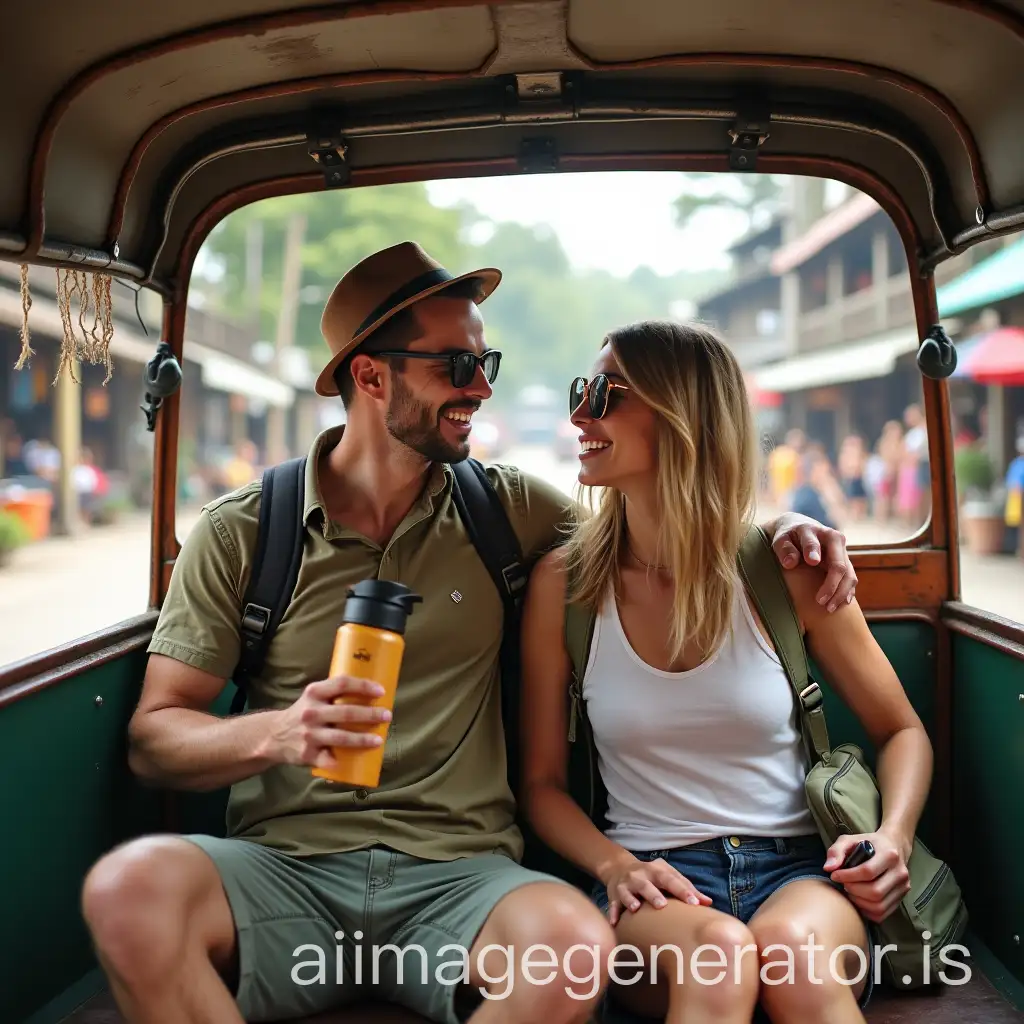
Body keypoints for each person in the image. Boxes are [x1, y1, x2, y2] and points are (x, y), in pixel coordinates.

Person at [80, 244, 859, 1024]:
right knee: (127, 890)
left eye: (486, 361)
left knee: (574, 947)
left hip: (462, 880)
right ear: (371, 376)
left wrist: (783, 530)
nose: (482, 387)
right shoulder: (244, 531)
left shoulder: (512, 512)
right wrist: (280, 734)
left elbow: (668, 525)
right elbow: (155, 739)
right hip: (284, 868)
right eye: (456, 365)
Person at [520, 320, 932, 1024]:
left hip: (802, 870)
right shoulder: (567, 586)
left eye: (604, 392)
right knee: (718, 952)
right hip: (652, 882)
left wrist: (889, 839)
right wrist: (617, 868)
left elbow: (902, 731)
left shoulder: (786, 572)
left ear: (683, 416)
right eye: (579, 390)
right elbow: (542, 785)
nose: (579, 413)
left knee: (793, 955)